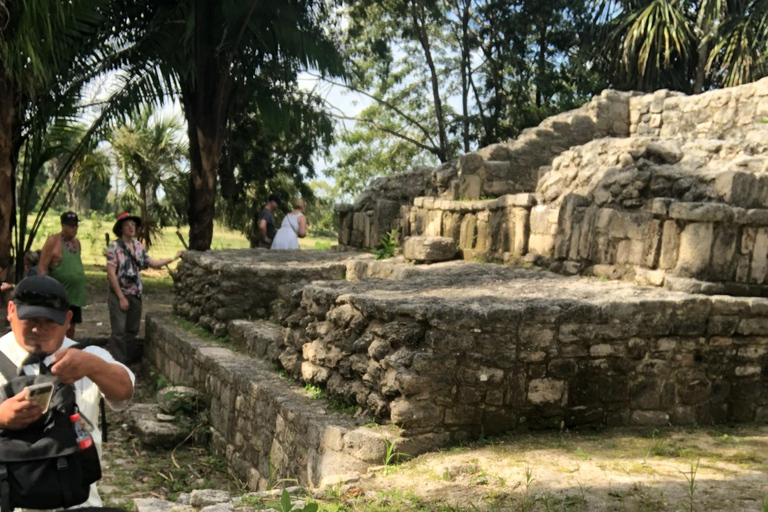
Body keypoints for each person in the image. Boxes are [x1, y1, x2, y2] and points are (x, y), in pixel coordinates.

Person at [0, 275, 134, 509]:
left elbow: (125, 391)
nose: (37, 329)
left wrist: (93, 366)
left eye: (49, 321)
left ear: (68, 319)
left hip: (76, 502)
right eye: (29, 318)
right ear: (11, 310)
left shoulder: (86, 355)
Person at [106, 213, 183, 364]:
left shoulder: (138, 246)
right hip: (119, 293)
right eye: (127, 225)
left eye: (133, 225)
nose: (131, 227)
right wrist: (121, 297)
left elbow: (152, 263)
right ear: (121, 228)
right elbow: (111, 273)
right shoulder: (113, 247)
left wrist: (173, 258)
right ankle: (117, 362)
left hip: (135, 293)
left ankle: (126, 362)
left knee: (132, 330)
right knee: (119, 331)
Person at [37, 212, 86, 339]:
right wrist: (46, 289)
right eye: (70, 226)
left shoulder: (77, 243)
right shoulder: (54, 241)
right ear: (62, 225)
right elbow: (42, 267)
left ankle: (68, 349)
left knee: (71, 325)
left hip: (75, 295)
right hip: (59, 295)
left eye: (76, 226)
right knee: (57, 325)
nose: (74, 229)